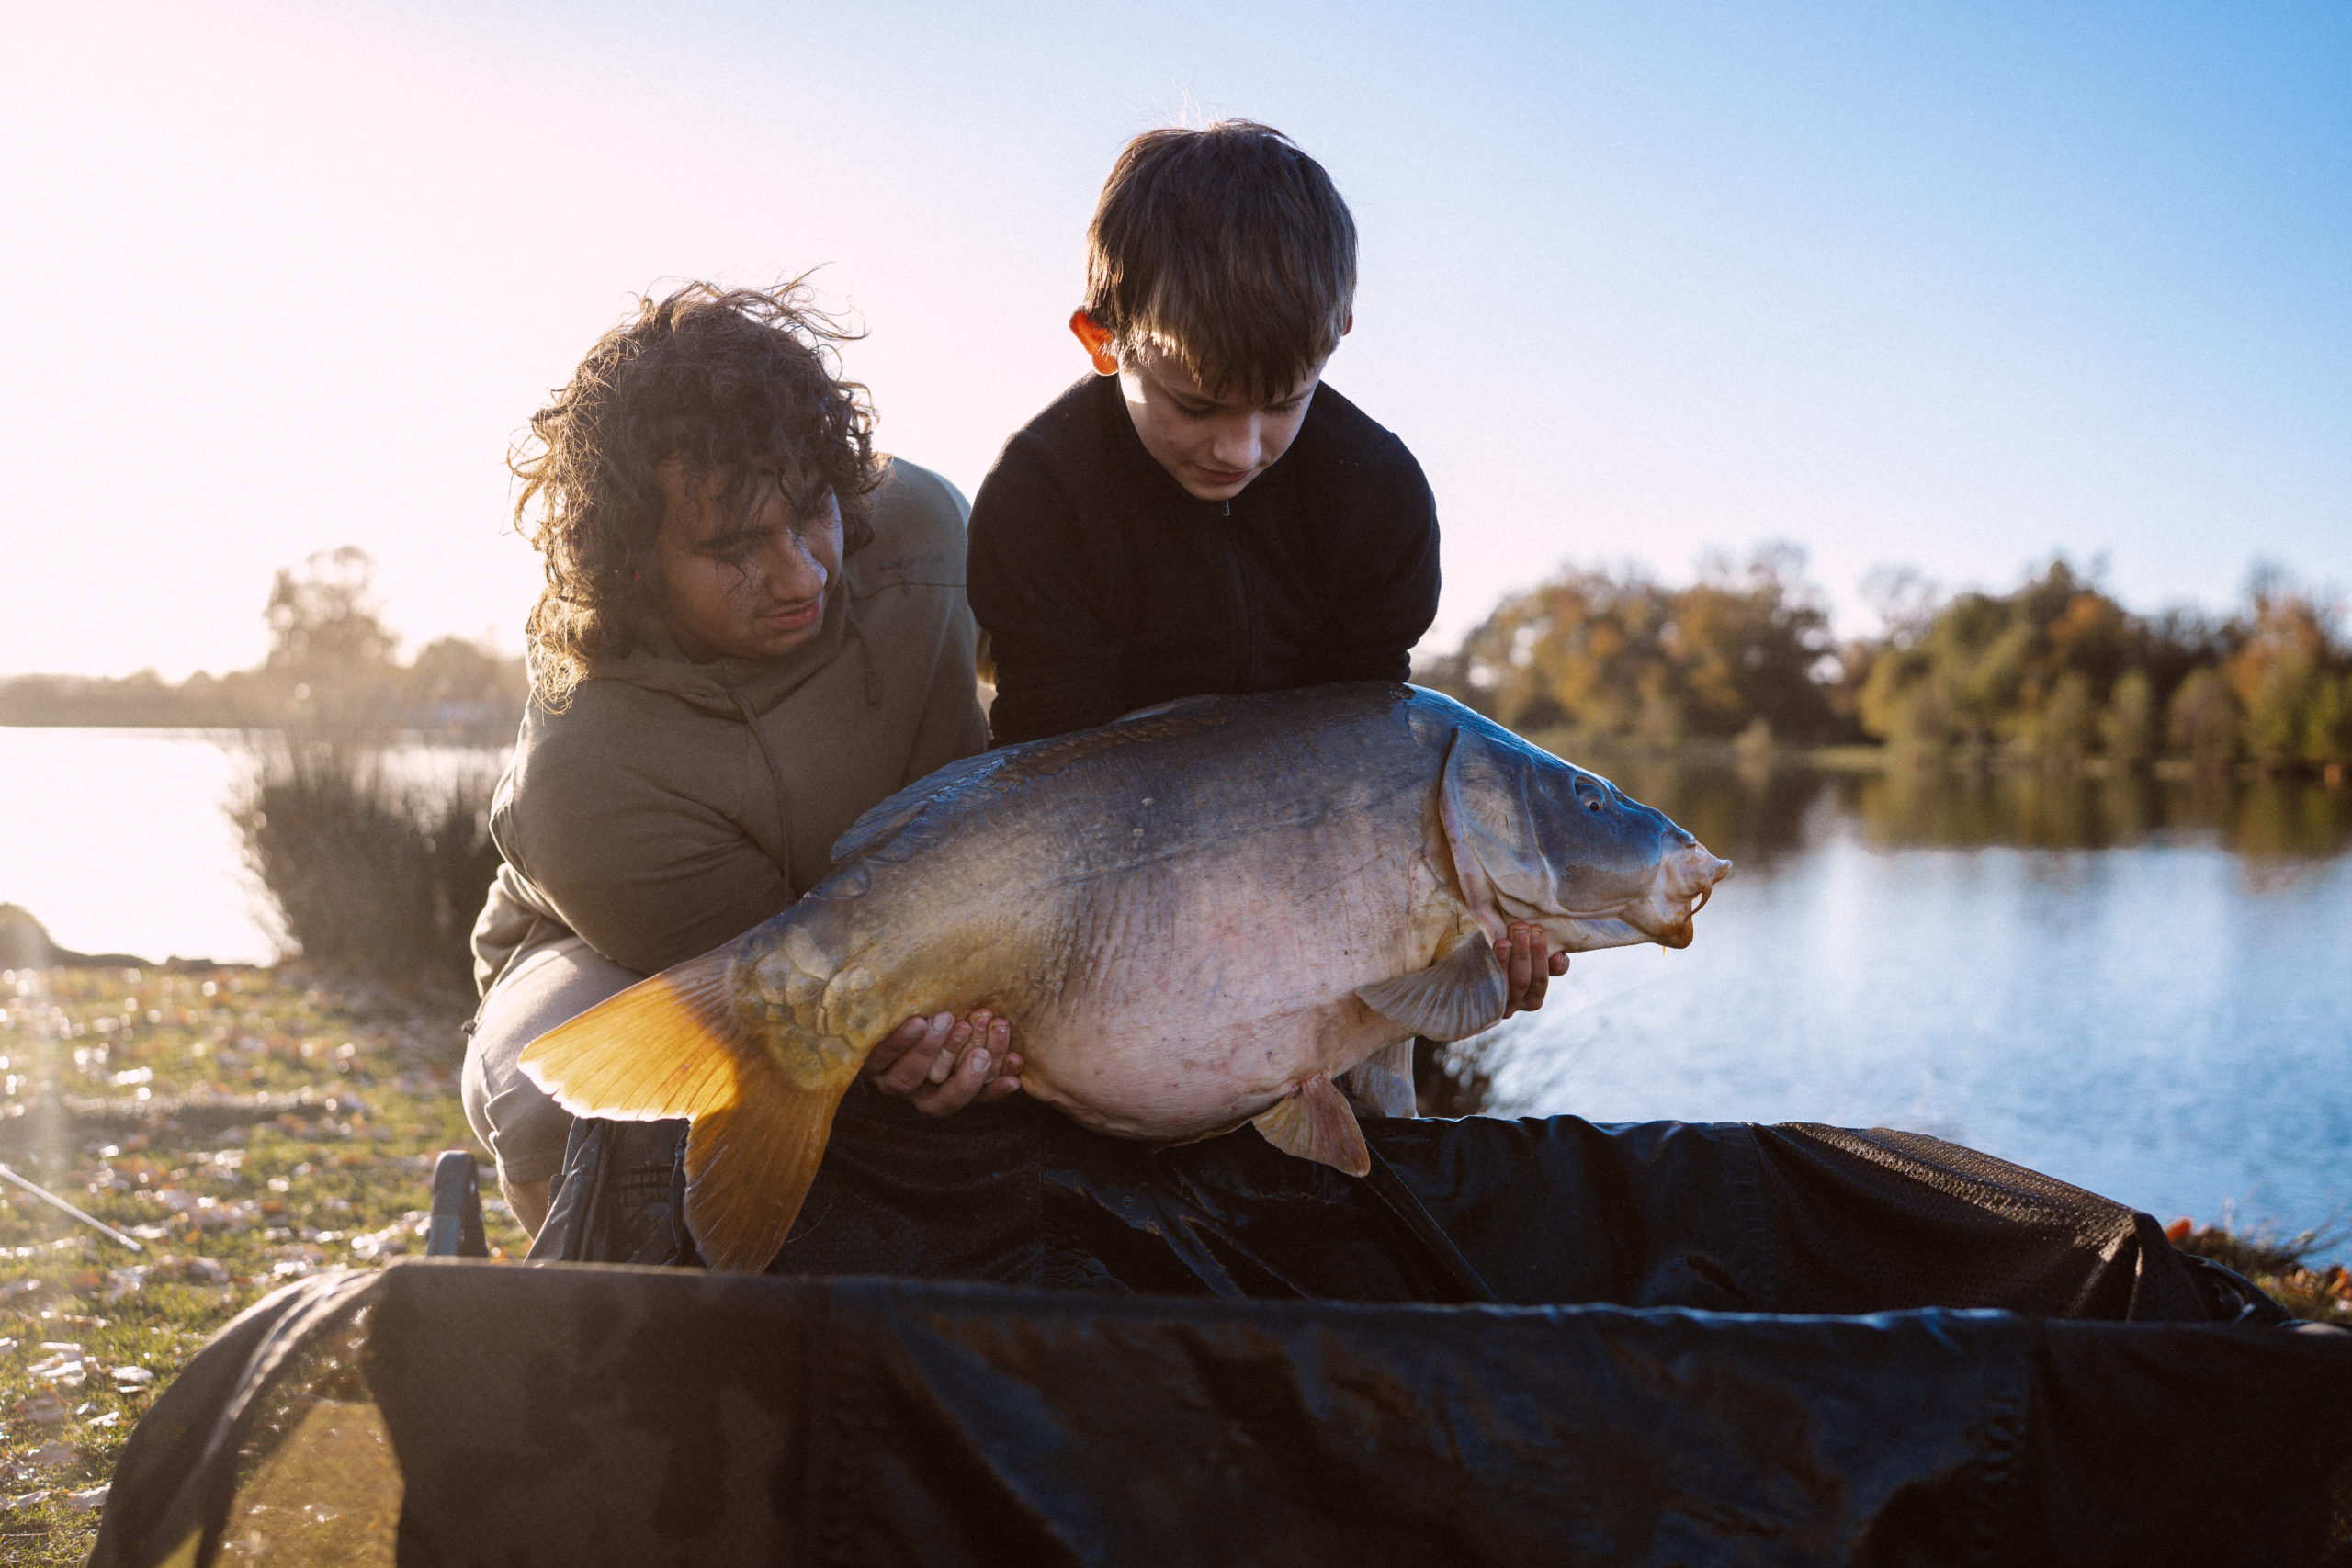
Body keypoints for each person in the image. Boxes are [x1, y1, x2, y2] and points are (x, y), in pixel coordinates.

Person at [966, 120, 1566, 1015]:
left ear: (1338, 336)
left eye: (1284, 402)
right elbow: (1054, 779)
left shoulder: (1378, 496)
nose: (1240, 450)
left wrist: (1453, 946)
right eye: (1196, 405)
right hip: (1106, 884)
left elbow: (1362, 761)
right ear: (1102, 340)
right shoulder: (1038, 496)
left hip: (1319, 885)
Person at [463, 281, 1019, 1239]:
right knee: (554, 1099)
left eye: (812, 512)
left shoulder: (923, 524)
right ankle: (590, 1284)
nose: (802, 573)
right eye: (735, 549)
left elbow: (1058, 712)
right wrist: (903, 1037)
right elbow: (798, 994)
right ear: (633, 560)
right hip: (613, 954)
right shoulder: (587, 776)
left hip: (923, 917)